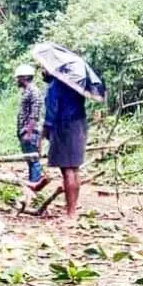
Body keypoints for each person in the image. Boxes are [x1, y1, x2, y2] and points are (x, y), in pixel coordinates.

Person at [39, 67, 88, 221]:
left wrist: (43, 135)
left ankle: (71, 213)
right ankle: (72, 210)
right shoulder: (75, 84)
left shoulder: (54, 86)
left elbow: (51, 114)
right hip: (79, 125)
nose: (42, 72)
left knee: (67, 170)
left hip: (64, 128)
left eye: (44, 69)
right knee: (75, 169)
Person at [15, 64, 44, 183]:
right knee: (30, 160)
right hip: (25, 131)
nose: (16, 80)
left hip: (30, 132)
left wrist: (29, 132)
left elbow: (34, 114)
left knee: (33, 160)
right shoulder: (27, 91)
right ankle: (33, 185)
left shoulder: (34, 92)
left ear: (24, 78)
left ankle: (35, 185)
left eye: (18, 78)